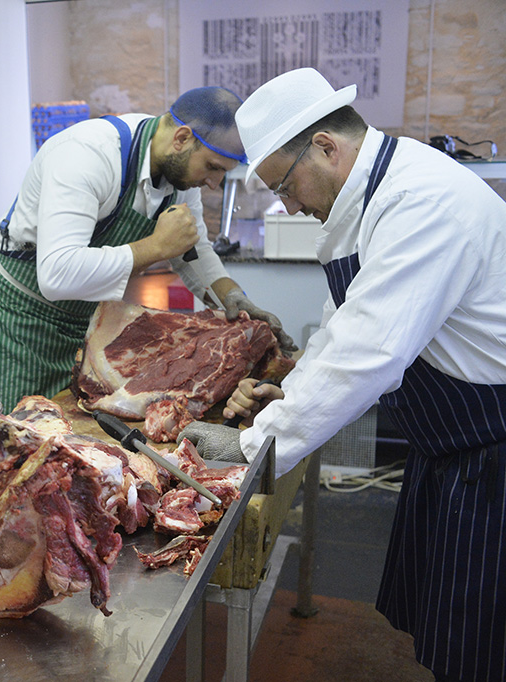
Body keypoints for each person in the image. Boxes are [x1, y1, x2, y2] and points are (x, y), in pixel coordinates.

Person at [179, 68, 506, 682]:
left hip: (492, 452)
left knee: (483, 643)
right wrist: (291, 393)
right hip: (451, 448)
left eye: (286, 185)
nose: (290, 205)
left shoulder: (422, 202)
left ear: (326, 146)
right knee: (450, 633)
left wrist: (253, 443)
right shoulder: (366, 201)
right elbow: (339, 330)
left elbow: (368, 353)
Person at [0, 87, 296, 410]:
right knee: (15, 436)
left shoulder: (178, 175)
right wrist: (154, 247)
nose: (214, 183)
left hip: (85, 321)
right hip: (22, 319)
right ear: (182, 138)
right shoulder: (89, 154)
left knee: (74, 440)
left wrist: (232, 297)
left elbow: (193, 249)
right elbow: (57, 273)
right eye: (212, 167)